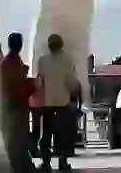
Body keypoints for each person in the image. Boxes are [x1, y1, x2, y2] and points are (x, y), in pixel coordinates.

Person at [36, 34, 80, 172]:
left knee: (47, 134)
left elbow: (40, 82)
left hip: (47, 103)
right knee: (62, 134)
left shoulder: (42, 61)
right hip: (63, 103)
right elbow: (71, 82)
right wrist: (75, 95)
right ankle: (62, 162)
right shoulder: (67, 61)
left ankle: (46, 162)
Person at [0, 33, 35, 172]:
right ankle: (20, 164)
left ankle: (23, 163)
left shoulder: (10, 61)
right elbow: (16, 85)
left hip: (17, 102)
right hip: (17, 103)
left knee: (19, 134)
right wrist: (30, 85)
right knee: (18, 135)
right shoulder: (11, 62)